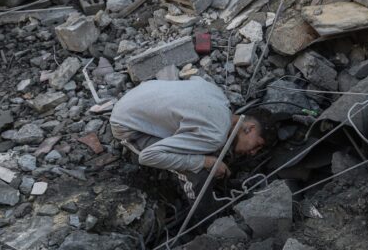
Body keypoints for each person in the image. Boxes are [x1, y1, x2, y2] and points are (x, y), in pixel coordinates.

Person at [110, 78, 266, 216]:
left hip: (137, 95)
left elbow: (195, 78)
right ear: (249, 128)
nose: (253, 153)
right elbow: (148, 156)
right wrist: (206, 162)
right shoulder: (216, 136)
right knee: (198, 173)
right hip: (127, 125)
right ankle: (206, 219)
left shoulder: (217, 94)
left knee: (202, 150)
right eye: (257, 145)